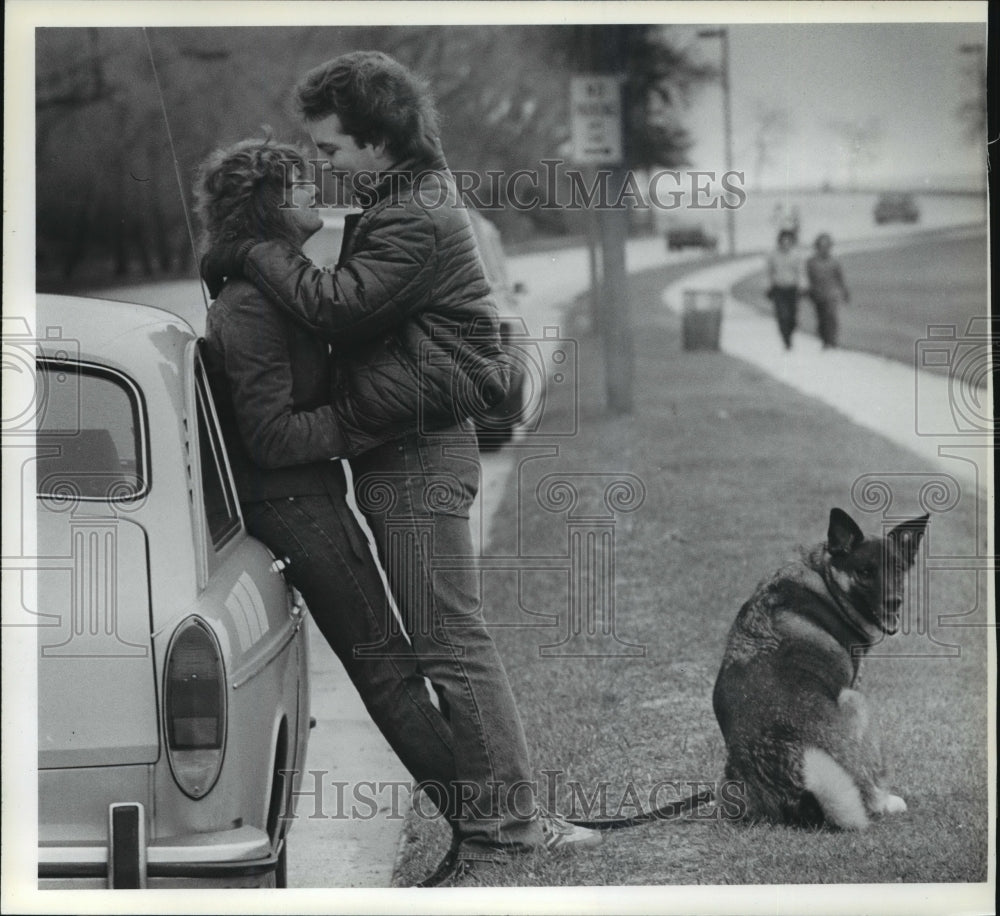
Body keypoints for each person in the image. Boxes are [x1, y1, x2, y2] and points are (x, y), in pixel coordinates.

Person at [199, 52, 599, 887]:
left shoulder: (415, 214)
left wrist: (249, 247)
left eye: (335, 149)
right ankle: (510, 815)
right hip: (406, 447)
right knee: (447, 638)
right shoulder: (397, 202)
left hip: (417, 453)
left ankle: (512, 823)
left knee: (449, 640)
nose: (329, 168)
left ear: (378, 140)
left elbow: (334, 305)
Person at [805, 233, 850, 349]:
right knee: (821, 319)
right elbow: (808, 279)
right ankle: (825, 339)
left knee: (832, 317)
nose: (824, 249)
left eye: (826, 246)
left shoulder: (835, 262)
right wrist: (808, 291)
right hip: (817, 295)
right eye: (821, 246)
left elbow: (840, 278)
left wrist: (845, 292)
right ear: (817, 247)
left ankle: (832, 340)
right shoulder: (811, 262)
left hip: (832, 294)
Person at [766, 229, 802, 350]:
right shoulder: (773, 255)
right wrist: (769, 286)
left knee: (792, 317)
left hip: (792, 289)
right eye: (783, 241)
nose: (785, 244)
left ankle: (790, 334)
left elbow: (800, 272)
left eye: (788, 241)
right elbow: (769, 272)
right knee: (782, 315)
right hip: (778, 289)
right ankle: (786, 340)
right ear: (779, 242)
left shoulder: (796, 255)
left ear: (791, 242)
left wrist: (802, 286)